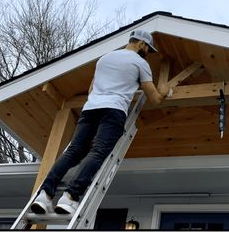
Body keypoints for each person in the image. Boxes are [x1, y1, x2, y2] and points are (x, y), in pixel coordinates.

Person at [30, 30, 170, 215]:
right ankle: (70, 197)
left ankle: (44, 195)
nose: (147, 52)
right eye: (147, 49)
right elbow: (155, 99)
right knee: (98, 152)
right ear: (141, 44)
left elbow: (91, 90)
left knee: (73, 152)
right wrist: (166, 91)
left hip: (90, 109)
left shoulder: (104, 59)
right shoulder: (140, 63)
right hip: (113, 110)